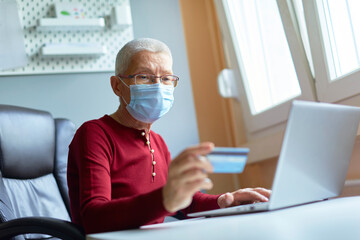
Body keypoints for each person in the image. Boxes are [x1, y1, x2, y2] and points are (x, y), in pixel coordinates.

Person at [67, 38, 271, 234]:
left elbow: (182, 204)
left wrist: (226, 201)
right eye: (144, 77)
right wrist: (164, 200)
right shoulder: (94, 134)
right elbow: (94, 218)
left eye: (166, 78)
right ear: (117, 86)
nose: (158, 87)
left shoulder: (158, 142)